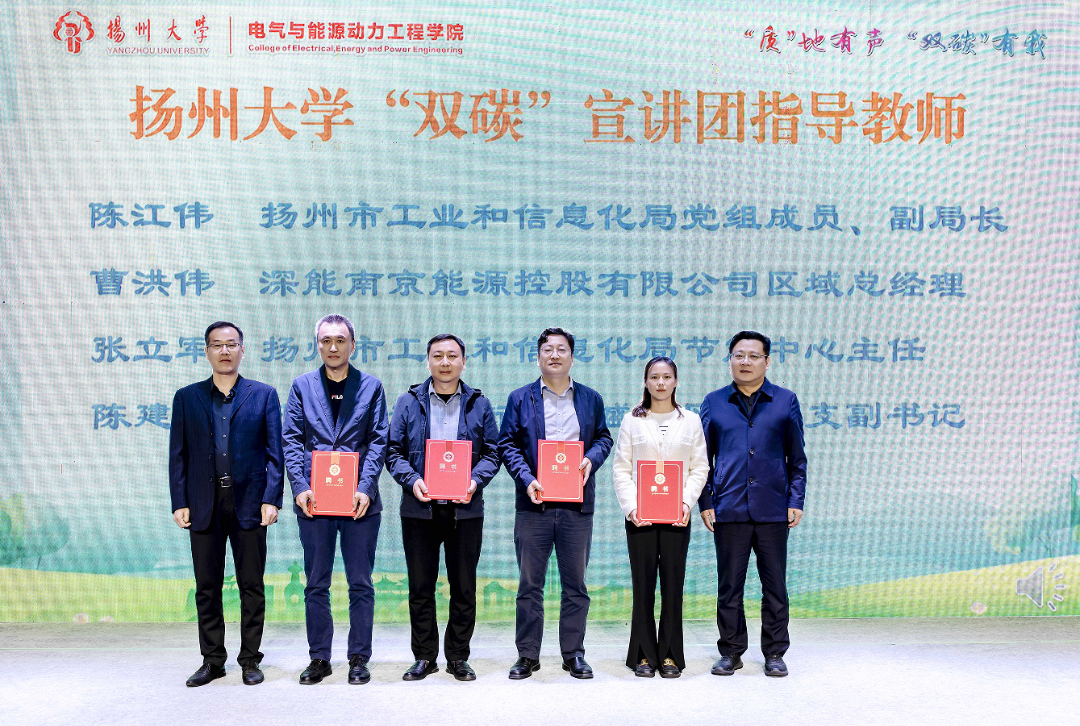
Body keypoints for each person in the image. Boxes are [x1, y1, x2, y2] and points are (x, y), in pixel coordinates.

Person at [169, 321, 283, 687]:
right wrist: (180, 501)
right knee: (207, 586)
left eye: (231, 344)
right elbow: (178, 455)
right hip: (204, 503)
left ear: (242, 350)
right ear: (206, 351)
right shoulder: (187, 397)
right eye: (217, 345)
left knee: (252, 585)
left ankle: (250, 660)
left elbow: (275, 453)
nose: (224, 351)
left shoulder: (263, 395)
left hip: (249, 502)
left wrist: (271, 498)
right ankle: (212, 660)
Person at [499, 327, 613, 680]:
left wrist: (591, 459)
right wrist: (527, 478)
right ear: (538, 357)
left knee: (575, 586)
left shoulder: (591, 398)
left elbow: (604, 438)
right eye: (547, 349)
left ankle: (574, 654)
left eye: (562, 349)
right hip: (534, 504)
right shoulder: (520, 398)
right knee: (529, 586)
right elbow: (507, 444)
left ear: (572, 357)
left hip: (576, 506)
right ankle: (527, 655)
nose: (554, 355)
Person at [385, 334, 501, 682]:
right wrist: (412, 480)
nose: (445, 362)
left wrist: (475, 481)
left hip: (465, 509)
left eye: (452, 356)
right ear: (428, 361)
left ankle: (458, 657)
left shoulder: (480, 404)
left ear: (464, 362)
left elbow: (493, 452)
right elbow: (393, 452)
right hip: (419, 508)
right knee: (421, 587)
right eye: (438, 356)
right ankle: (424, 656)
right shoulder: (408, 402)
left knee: (464, 587)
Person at [282, 314, 389, 685]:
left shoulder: (371, 387)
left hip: (360, 502)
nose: (333, 347)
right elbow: (291, 439)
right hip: (315, 501)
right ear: (318, 345)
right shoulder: (302, 386)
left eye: (340, 340)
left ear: (352, 345)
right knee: (316, 583)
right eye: (326, 340)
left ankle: (359, 658)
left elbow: (378, 440)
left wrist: (366, 487)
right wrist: (299, 486)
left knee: (361, 583)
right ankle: (319, 658)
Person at [698, 331, 806, 678]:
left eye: (753, 356)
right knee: (729, 586)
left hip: (773, 508)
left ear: (767, 361)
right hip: (728, 507)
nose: (745, 362)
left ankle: (774, 652)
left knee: (775, 585)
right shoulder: (714, 402)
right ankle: (731, 651)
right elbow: (702, 459)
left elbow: (797, 458)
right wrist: (705, 500)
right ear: (730, 359)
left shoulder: (785, 400)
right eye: (739, 355)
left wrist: (796, 499)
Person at [611, 356, 707, 678]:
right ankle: (642, 654)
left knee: (673, 587)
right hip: (641, 517)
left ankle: (669, 655)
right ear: (646, 382)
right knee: (643, 587)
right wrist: (632, 508)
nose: (661, 383)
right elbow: (621, 468)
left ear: (676, 381)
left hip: (677, 516)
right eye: (654, 377)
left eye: (667, 377)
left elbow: (699, 467)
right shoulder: (632, 420)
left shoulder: (691, 421)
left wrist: (685, 503)